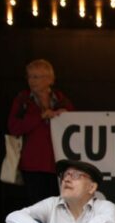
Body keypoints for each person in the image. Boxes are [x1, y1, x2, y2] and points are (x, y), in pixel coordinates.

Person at [8, 59, 74, 204]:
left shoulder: (61, 99)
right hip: (32, 164)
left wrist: (66, 115)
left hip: (58, 164)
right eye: (29, 76)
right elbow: (14, 127)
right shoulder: (23, 100)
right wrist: (40, 117)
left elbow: (75, 127)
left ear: (50, 79)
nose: (32, 81)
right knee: (38, 207)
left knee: (59, 206)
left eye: (36, 77)